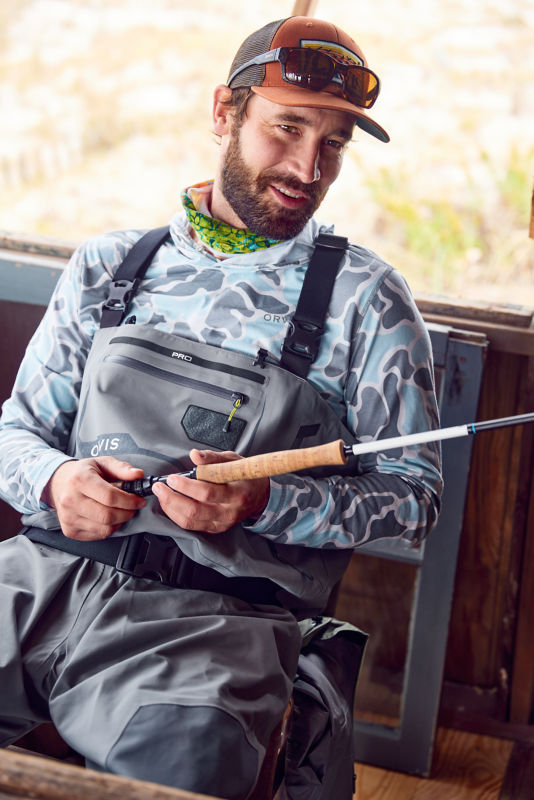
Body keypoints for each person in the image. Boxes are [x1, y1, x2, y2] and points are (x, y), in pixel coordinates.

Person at [0, 15, 442, 800]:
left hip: (216, 624)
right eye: (288, 128)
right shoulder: (110, 266)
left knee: (188, 772)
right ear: (223, 113)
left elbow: (413, 502)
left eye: (334, 143)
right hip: (39, 578)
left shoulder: (367, 301)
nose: (309, 166)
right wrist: (54, 482)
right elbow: (17, 433)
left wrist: (267, 500)